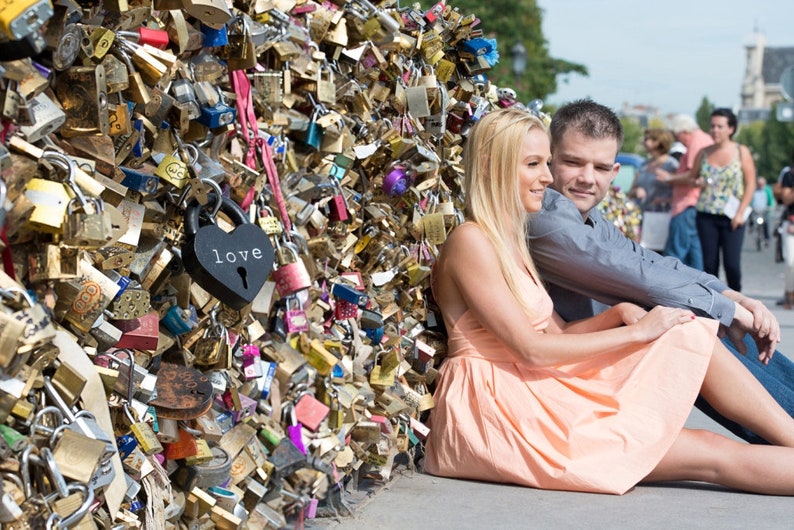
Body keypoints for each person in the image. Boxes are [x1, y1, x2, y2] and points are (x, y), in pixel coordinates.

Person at [424, 106, 794, 496]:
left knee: (688, 335)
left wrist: (619, 314)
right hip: (498, 409)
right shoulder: (470, 240)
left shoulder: (507, 240)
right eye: (534, 164)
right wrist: (639, 333)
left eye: (547, 164)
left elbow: (563, 329)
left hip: (533, 390)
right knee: (711, 452)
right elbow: (531, 350)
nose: (547, 178)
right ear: (489, 165)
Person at [528, 99, 794, 445]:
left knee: (698, 324)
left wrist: (731, 297)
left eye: (600, 166)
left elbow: (651, 262)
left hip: (606, 350)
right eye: (573, 162)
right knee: (687, 330)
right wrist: (727, 309)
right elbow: (634, 274)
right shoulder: (549, 220)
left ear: (614, 171)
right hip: (578, 370)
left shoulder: (586, 217)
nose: (586, 178)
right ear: (551, 162)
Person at [688, 108, 757, 291]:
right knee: (710, 265)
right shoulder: (703, 153)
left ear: (731, 129)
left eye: (720, 126)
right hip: (706, 214)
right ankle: (714, 305)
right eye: (712, 126)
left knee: (732, 264)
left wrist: (741, 212)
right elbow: (691, 178)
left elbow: (750, 183)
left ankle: (738, 302)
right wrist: (697, 181)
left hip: (733, 216)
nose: (715, 130)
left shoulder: (741, 152)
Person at [656, 114, 712, 269]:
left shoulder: (696, 143)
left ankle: (666, 287)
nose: (676, 139)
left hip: (687, 203)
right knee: (694, 252)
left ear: (683, 131)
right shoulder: (701, 140)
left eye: (675, 134)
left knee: (675, 252)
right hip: (691, 204)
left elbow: (692, 175)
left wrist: (669, 178)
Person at [627, 128, 676, 212]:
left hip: (664, 215)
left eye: (646, 139)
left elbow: (681, 193)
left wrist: (665, 200)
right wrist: (636, 192)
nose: (643, 142)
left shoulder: (671, 165)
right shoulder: (644, 165)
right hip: (644, 214)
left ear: (658, 142)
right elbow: (630, 192)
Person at [779, 160, 794, 309]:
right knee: (791, 263)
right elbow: (786, 199)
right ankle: (789, 293)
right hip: (790, 222)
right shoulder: (789, 175)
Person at [751, 177, 774, 244]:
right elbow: (751, 200)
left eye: (762, 184)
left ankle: (767, 238)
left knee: (766, 223)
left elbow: (771, 200)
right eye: (759, 184)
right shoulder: (754, 190)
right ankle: (751, 226)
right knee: (751, 217)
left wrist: (771, 207)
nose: (760, 185)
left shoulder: (767, 190)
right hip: (756, 209)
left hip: (765, 210)